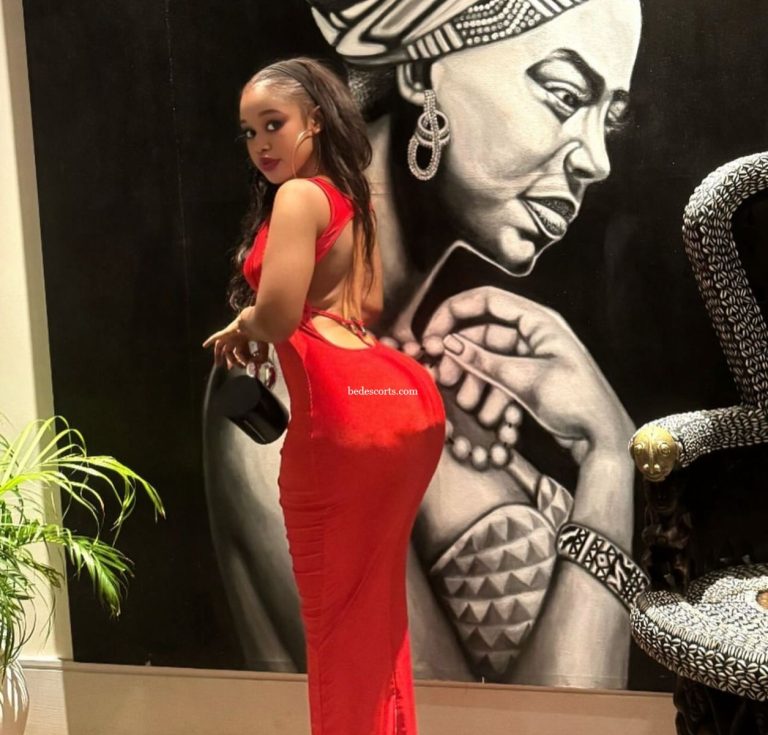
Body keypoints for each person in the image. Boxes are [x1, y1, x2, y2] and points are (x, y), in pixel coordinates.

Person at [202, 0, 643, 690]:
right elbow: (468, 732)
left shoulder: (436, 360)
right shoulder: (287, 384)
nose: (597, 159)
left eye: (607, 119)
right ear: (422, 72)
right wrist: (610, 458)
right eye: (564, 94)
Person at [202, 57, 445, 735]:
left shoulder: (299, 197)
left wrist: (244, 321)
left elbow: (280, 315)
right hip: (401, 405)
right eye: (249, 132)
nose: (260, 144)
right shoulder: (350, 198)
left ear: (313, 120)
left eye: (272, 124)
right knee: (376, 613)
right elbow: (363, 307)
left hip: (339, 420)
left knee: (338, 632)